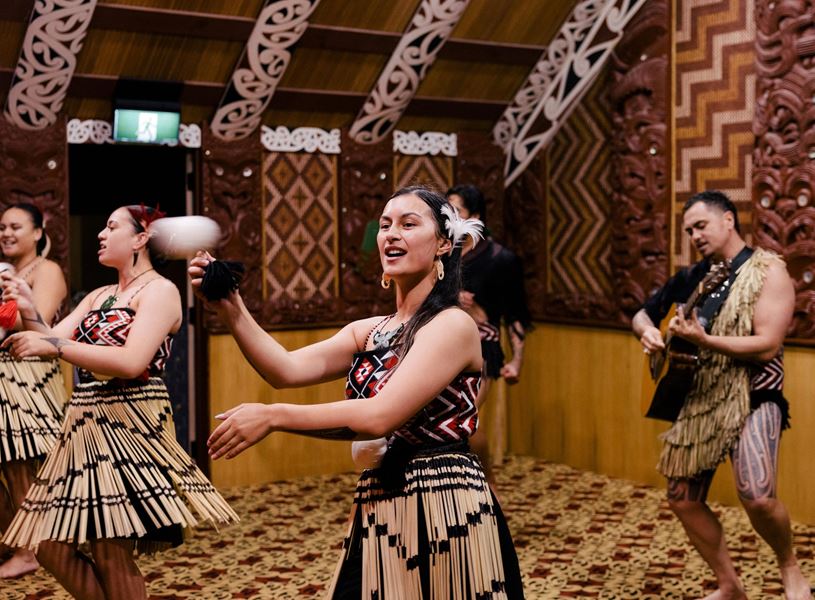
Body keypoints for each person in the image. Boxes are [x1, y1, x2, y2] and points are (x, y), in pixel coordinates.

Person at [194, 186, 524, 598]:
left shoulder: (452, 325)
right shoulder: (370, 329)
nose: (391, 234)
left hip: (444, 507)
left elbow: (378, 416)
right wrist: (229, 304)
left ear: (443, 244)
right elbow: (284, 369)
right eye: (385, 225)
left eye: (408, 224)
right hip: (380, 501)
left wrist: (274, 416)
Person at [0, 205, 238, 600]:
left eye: (111, 227)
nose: (101, 234)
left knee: (111, 549)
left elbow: (130, 362)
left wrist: (57, 345)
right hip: (84, 425)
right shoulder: (99, 295)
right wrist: (28, 309)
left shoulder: (161, 290)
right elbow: (49, 341)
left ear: (140, 239)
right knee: (49, 545)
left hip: (131, 422)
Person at [632, 190, 812, 600]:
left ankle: (789, 566)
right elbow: (642, 312)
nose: (694, 235)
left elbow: (767, 345)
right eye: (688, 230)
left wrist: (705, 339)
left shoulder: (768, 271)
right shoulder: (696, 274)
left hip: (753, 393)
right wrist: (647, 331)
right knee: (682, 499)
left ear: (728, 220)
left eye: (701, 226)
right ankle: (729, 584)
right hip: (700, 397)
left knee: (758, 496)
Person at [0, 203, 68, 578]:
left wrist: (13, 297)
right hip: (3, 378)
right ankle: (18, 539)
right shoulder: (5, 271)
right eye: (2, 228)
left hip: (30, 380)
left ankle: (31, 550)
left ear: (38, 232)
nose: (6, 233)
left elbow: (36, 324)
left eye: (15, 227)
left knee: (21, 464)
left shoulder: (47, 270)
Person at [446, 185, 531, 479]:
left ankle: (486, 485)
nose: (450, 218)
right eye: (447, 211)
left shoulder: (499, 259)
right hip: (441, 346)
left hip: (483, 349)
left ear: (476, 216)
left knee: (461, 421)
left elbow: (516, 315)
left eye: (458, 211)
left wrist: (517, 361)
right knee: (440, 423)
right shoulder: (443, 253)